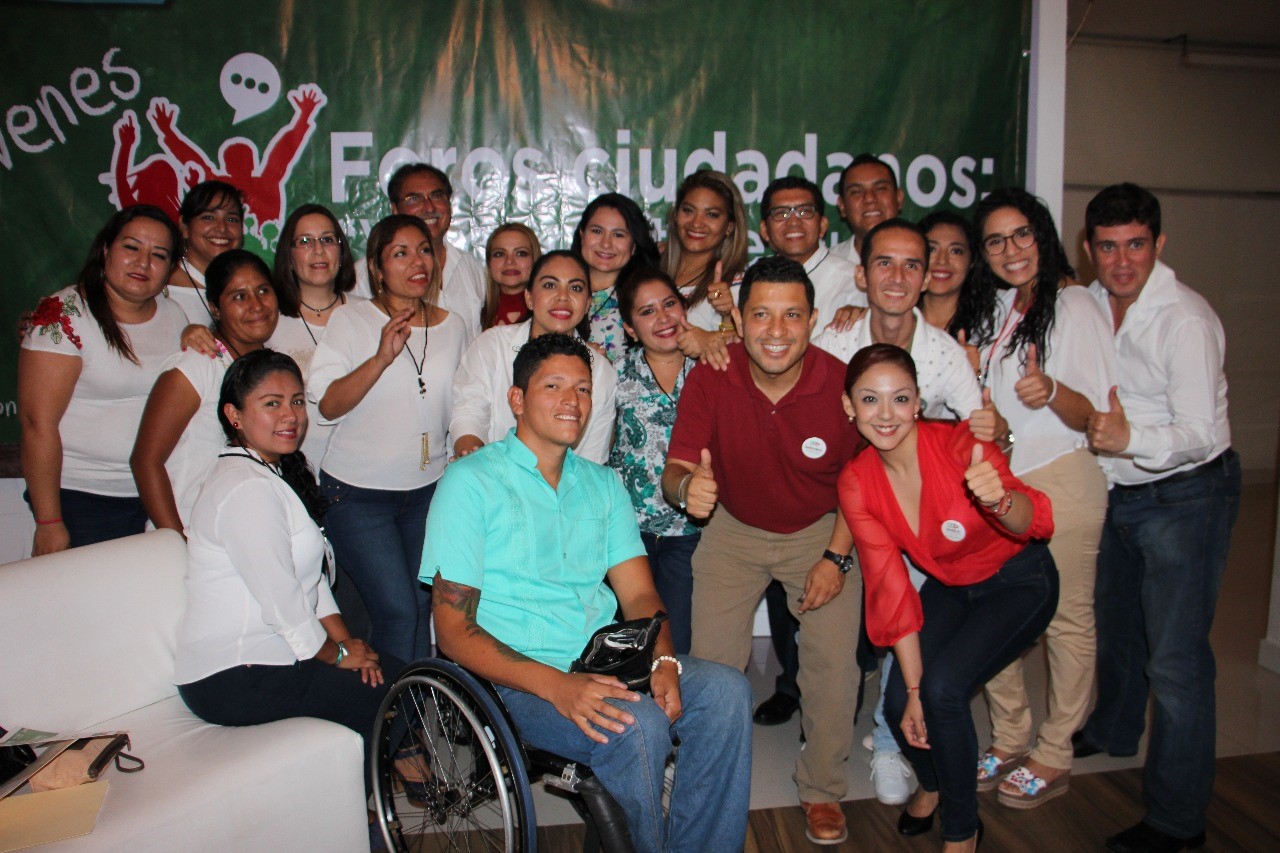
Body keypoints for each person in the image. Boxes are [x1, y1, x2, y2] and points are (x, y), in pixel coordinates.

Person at [422, 333, 753, 853]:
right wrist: (557, 686)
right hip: (514, 680)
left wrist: (664, 660)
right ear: (517, 400)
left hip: (604, 663)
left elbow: (640, 595)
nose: (572, 401)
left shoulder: (602, 485)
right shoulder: (470, 482)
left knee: (727, 692)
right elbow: (453, 630)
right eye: (553, 386)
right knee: (637, 724)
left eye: (582, 388)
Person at [662, 255, 861, 845]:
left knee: (832, 667)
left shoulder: (842, 384)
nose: (776, 331)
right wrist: (687, 491)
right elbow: (676, 468)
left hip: (821, 530)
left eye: (792, 315)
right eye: (762, 315)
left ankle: (822, 789)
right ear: (739, 321)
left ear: (813, 320)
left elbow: (863, 485)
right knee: (714, 673)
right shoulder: (712, 375)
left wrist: (836, 558)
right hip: (734, 529)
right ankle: (708, 786)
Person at [839, 343, 1058, 853]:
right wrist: (912, 690)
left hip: (1019, 580)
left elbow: (1037, 522)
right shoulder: (857, 480)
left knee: (943, 691)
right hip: (954, 587)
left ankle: (962, 830)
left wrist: (999, 500)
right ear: (849, 406)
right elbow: (890, 585)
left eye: (900, 399)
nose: (886, 414)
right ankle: (935, 782)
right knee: (901, 700)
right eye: (870, 399)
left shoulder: (960, 446)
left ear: (918, 402)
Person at [173, 349, 401, 836]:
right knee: (394, 689)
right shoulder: (245, 487)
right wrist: (336, 654)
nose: (291, 415)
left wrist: (348, 643)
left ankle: (343, 810)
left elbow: (310, 581)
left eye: (297, 401)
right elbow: (282, 601)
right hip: (233, 676)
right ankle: (346, 820)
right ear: (234, 415)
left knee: (391, 676)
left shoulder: (268, 474)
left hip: (268, 659)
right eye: (271, 403)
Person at [1076, 183, 1239, 853]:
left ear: (1159, 243)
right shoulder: (1088, 302)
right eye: (1108, 247)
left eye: (1136, 245)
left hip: (1186, 494)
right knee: (1117, 629)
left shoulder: (1185, 320)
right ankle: (1113, 730)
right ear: (1089, 249)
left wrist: (1129, 438)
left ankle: (1178, 821)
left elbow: (1200, 433)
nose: (1122, 262)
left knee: (1175, 662)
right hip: (1121, 490)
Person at [811, 218, 991, 806]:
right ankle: (826, 735)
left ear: (927, 276)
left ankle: (889, 742)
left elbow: (980, 434)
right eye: (883, 263)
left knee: (904, 613)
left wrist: (998, 440)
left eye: (911, 264)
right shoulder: (834, 339)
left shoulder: (944, 355)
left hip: (909, 512)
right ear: (862, 275)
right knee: (840, 626)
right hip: (841, 503)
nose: (896, 276)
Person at [954, 188, 1115, 810]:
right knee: (997, 612)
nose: (1011, 249)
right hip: (1006, 484)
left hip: (1064, 475)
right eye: (995, 240)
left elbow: (1093, 412)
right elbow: (991, 414)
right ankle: (1010, 736)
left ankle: (1054, 750)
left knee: (1068, 619)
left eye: (1021, 234)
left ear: (1043, 235)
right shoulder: (997, 307)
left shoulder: (1074, 304)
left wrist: (1050, 391)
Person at [308, 214, 465, 666]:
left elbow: (461, 404)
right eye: (401, 253)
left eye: (424, 250)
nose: (417, 262)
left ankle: (413, 704)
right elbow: (327, 406)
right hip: (358, 494)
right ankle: (394, 709)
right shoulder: (351, 319)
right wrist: (381, 357)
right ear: (376, 268)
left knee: (420, 606)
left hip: (427, 492)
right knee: (397, 610)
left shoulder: (454, 325)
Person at [19, 206, 188, 555]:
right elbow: (37, 424)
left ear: (171, 267)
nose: (143, 262)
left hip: (156, 492)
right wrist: (49, 522)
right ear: (106, 249)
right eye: (131, 247)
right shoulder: (63, 314)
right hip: (81, 498)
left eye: (159, 255)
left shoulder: (174, 314)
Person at [132, 249, 280, 532]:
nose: (257, 305)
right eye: (239, 296)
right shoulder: (197, 365)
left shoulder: (272, 369)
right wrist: (176, 539)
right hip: (191, 532)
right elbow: (145, 461)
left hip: (247, 530)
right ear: (215, 308)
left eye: (263, 290)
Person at [449, 250, 618, 463]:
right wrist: (473, 461)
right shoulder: (492, 345)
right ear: (529, 298)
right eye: (550, 285)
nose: (563, 296)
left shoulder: (601, 372)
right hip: (488, 475)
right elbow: (468, 415)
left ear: (587, 304)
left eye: (575, 288)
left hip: (565, 483)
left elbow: (592, 460)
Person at [610, 269, 702, 654]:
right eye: (647, 312)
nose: (663, 318)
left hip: (691, 530)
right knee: (630, 643)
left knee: (677, 642)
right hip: (627, 533)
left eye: (669, 304)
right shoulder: (613, 372)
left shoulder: (710, 368)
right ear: (630, 329)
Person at [268, 203, 360, 466]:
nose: (318, 250)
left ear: (341, 251)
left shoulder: (369, 315)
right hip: (293, 469)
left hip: (360, 471)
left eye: (327, 240)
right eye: (305, 241)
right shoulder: (268, 319)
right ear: (289, 255)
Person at [354, 163, 487, 341]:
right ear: (395, 209)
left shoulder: (471, 267)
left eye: (437, 196)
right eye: (414, 199)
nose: (429, 208)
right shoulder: (364, 274)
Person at [659, 170, 748, 359]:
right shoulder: (652, 271)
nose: (697, 223)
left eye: (712, 215)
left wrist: (724, 321)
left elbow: (752, 350)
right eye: (688, 210)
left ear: (729, 226)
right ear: (675, 215)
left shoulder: (736, 284)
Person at [758, 175, 863, 332]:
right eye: (781, 213)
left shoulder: (853, 284)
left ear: (822, 225)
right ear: (765, 230)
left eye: (804, 212)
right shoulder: (756, 281)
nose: (793, 222)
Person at [571, 192, 661, 362]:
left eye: (618, 235)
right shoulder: (559, 292)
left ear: (634, 246)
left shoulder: (649, 297)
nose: (606, 244)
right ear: (582, 236)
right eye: (597, 231)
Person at [164, 180, 246, 324]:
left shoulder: (250, 287)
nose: (222, 228)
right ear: (184, 226)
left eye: (231, 219)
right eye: (208, 217)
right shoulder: (163, 289)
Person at [831, 153, 905, 266]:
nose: (870, 198)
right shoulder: (825, 267)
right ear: (842, 206)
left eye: (880, 188)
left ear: (899, 198)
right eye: (856, 192)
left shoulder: (926, 261)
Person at [918, 211, 978, 339]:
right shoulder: (894, 320)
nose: (942, 260)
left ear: (972, 261)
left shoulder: (991, 325)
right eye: (932, 249)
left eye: (955, 251)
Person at [482, 222, 540, 329]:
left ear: (535, 260)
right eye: (500, 254)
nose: (509, 261)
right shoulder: (475, 313)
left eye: (521, 253)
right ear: (489, 263)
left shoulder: (550, 313)